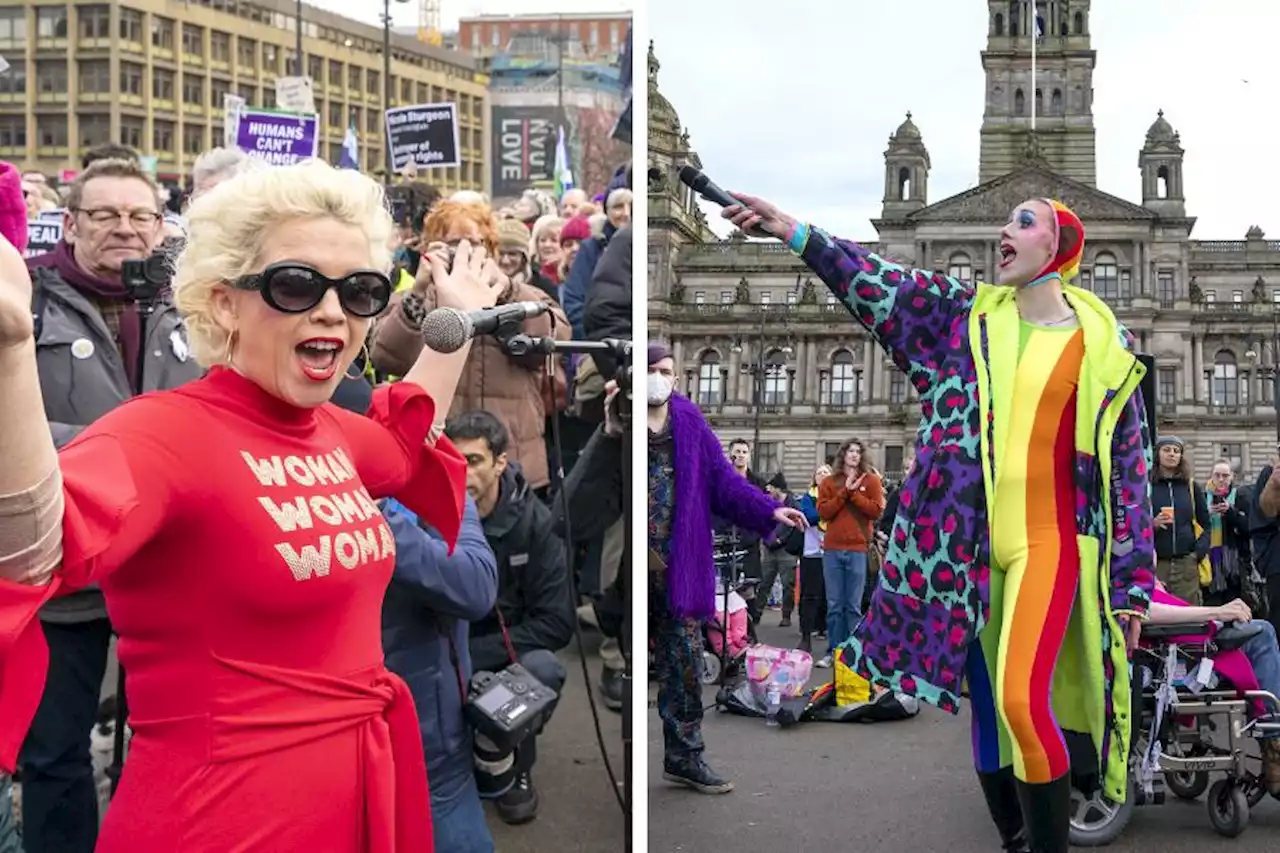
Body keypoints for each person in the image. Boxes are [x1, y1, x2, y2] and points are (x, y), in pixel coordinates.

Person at [0, 159, 510, 851]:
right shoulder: (163, 432)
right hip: (219, 820)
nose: (332, 309)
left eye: (359, 290)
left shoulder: (331, 429)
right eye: (296, 284)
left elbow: (402, 439)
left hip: (355, 797)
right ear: (222, 301)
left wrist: (455, 316)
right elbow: (37, 551)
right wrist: (9, 353)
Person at [723, 192, 1154, 853]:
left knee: (1020, 698)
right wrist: (793, 230)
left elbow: (1129, 474)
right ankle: (1014, 833)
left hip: (1052, 542)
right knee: (989, 706)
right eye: (1005, 219)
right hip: (967, 548)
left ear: (1058, 248)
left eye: (1022, 221)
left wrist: (1134, 582)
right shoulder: (965, 319)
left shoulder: (1105, 348)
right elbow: (879, 282)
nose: (1002, 230)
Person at [22, 157, 204, 853]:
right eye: (105, 215)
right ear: (70, 224)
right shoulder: (29, 301)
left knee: (176, 743)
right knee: (54, 753)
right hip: (65, 570)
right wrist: (118, 447)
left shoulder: (193, 304)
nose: (124, 229)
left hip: (171, 570)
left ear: (162, 226)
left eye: (140, 216)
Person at [647, 344, 805, 794]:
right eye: (652, 370)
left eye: (667, 371)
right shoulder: (622, 418)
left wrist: (769, 510)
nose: (660, 377)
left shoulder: (689, 421)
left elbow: (724, 482)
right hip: (629, 566)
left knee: (686, 667)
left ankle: (684, 756)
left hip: (679, 565)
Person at [370, 199, 570, 494]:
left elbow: (557, 338)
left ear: (490, 248)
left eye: (475, 244)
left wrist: (506, 295)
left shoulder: (522, 295)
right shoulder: (418, 297)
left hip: (511, 456)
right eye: (453, 244)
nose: (464, 253)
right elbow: (385, 356)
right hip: (438, 453)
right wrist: (420, 292)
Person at [444, 410, 573, 825]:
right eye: (454, 459)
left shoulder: (537, 523)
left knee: (543, 669)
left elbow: (557, 622)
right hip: (444, 648)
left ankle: (514, 762)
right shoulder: (429, 513)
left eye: (474, 461)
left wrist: (474, 655)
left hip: (504, 653)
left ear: (500, 462)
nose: (462, 472)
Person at [379, 495, 500, 853]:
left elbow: (476, 586)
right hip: (335, 755)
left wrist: (375, 517)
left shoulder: (436, 486)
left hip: (435, 754)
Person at [1145, 581, 1280, 794]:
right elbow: (1144, 609)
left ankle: (1273, 740)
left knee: (1260, 631)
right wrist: (1217, 613)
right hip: (1174, 648)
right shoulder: (1125, 564)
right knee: (1262, 633)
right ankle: (1273, 742)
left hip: (1175, 635)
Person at [816, 439, 884, 667]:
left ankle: (852, 653)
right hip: (833, 549)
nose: (854, 455)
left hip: (857, 549)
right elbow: (824, 513)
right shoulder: (829, 482)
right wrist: (845, 492)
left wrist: (855, 494)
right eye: (850, 451)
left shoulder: (872, 481)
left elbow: (875, 511)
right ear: (843, 455)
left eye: (858, 451)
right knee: (834, 605)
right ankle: (834, 650)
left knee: (853, 605)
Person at [1151, 436, 1209, 605]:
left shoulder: (1190, 486)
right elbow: (1134, 523)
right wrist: (1151, 524)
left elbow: (1206, 524)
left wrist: (1197, 554)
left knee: (1190, 617)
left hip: (1186, 566)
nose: (1172, 454)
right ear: (1157, 454)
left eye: (1176, 451)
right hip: (1156, 565)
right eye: (1166, 450)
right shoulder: (1146, 486)